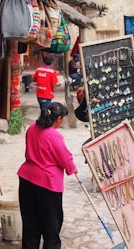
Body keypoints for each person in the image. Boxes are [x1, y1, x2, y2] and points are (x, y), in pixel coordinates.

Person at [17, 102, 78, 249]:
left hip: (26, 180)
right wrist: (72, 169)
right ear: (58, 119)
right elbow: (65, 158)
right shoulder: (54, 135)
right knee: (51, 228)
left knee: (30, 226)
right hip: (47, 185)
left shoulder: (31, 129)